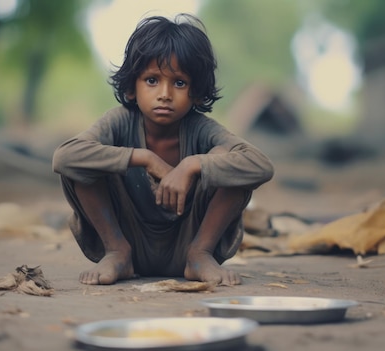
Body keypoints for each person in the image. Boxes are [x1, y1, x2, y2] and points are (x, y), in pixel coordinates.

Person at [52, 14, 273, 286]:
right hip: (128, 243)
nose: (165, 93)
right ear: (132, 87)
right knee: (83, 164)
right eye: (152, 80)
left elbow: (260, 166)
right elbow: (64, 157)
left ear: (197, 93)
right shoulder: (119, 122)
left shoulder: (201, 129)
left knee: (231, 166)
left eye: (179, 83)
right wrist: (143, 158)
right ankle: (116, 252)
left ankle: (200, 255)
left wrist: (193, 165)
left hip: (188, 243)